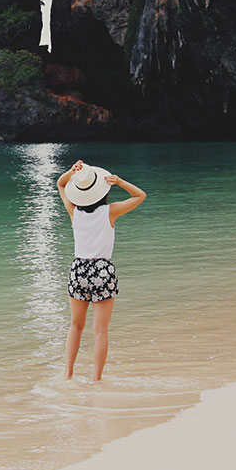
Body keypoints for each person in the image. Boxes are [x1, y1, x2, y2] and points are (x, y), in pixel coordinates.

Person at [57, 160, 146, 381]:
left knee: (75, 325)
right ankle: (96, 379)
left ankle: (68, 374)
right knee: (100, 331)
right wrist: (120, 181)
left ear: (79, 193)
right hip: (102, 270)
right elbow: (140, 196)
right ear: (102, 190)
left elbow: (60, 185)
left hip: (79, 269)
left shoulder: (74, 212)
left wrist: (72, 172)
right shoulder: (110, 211)